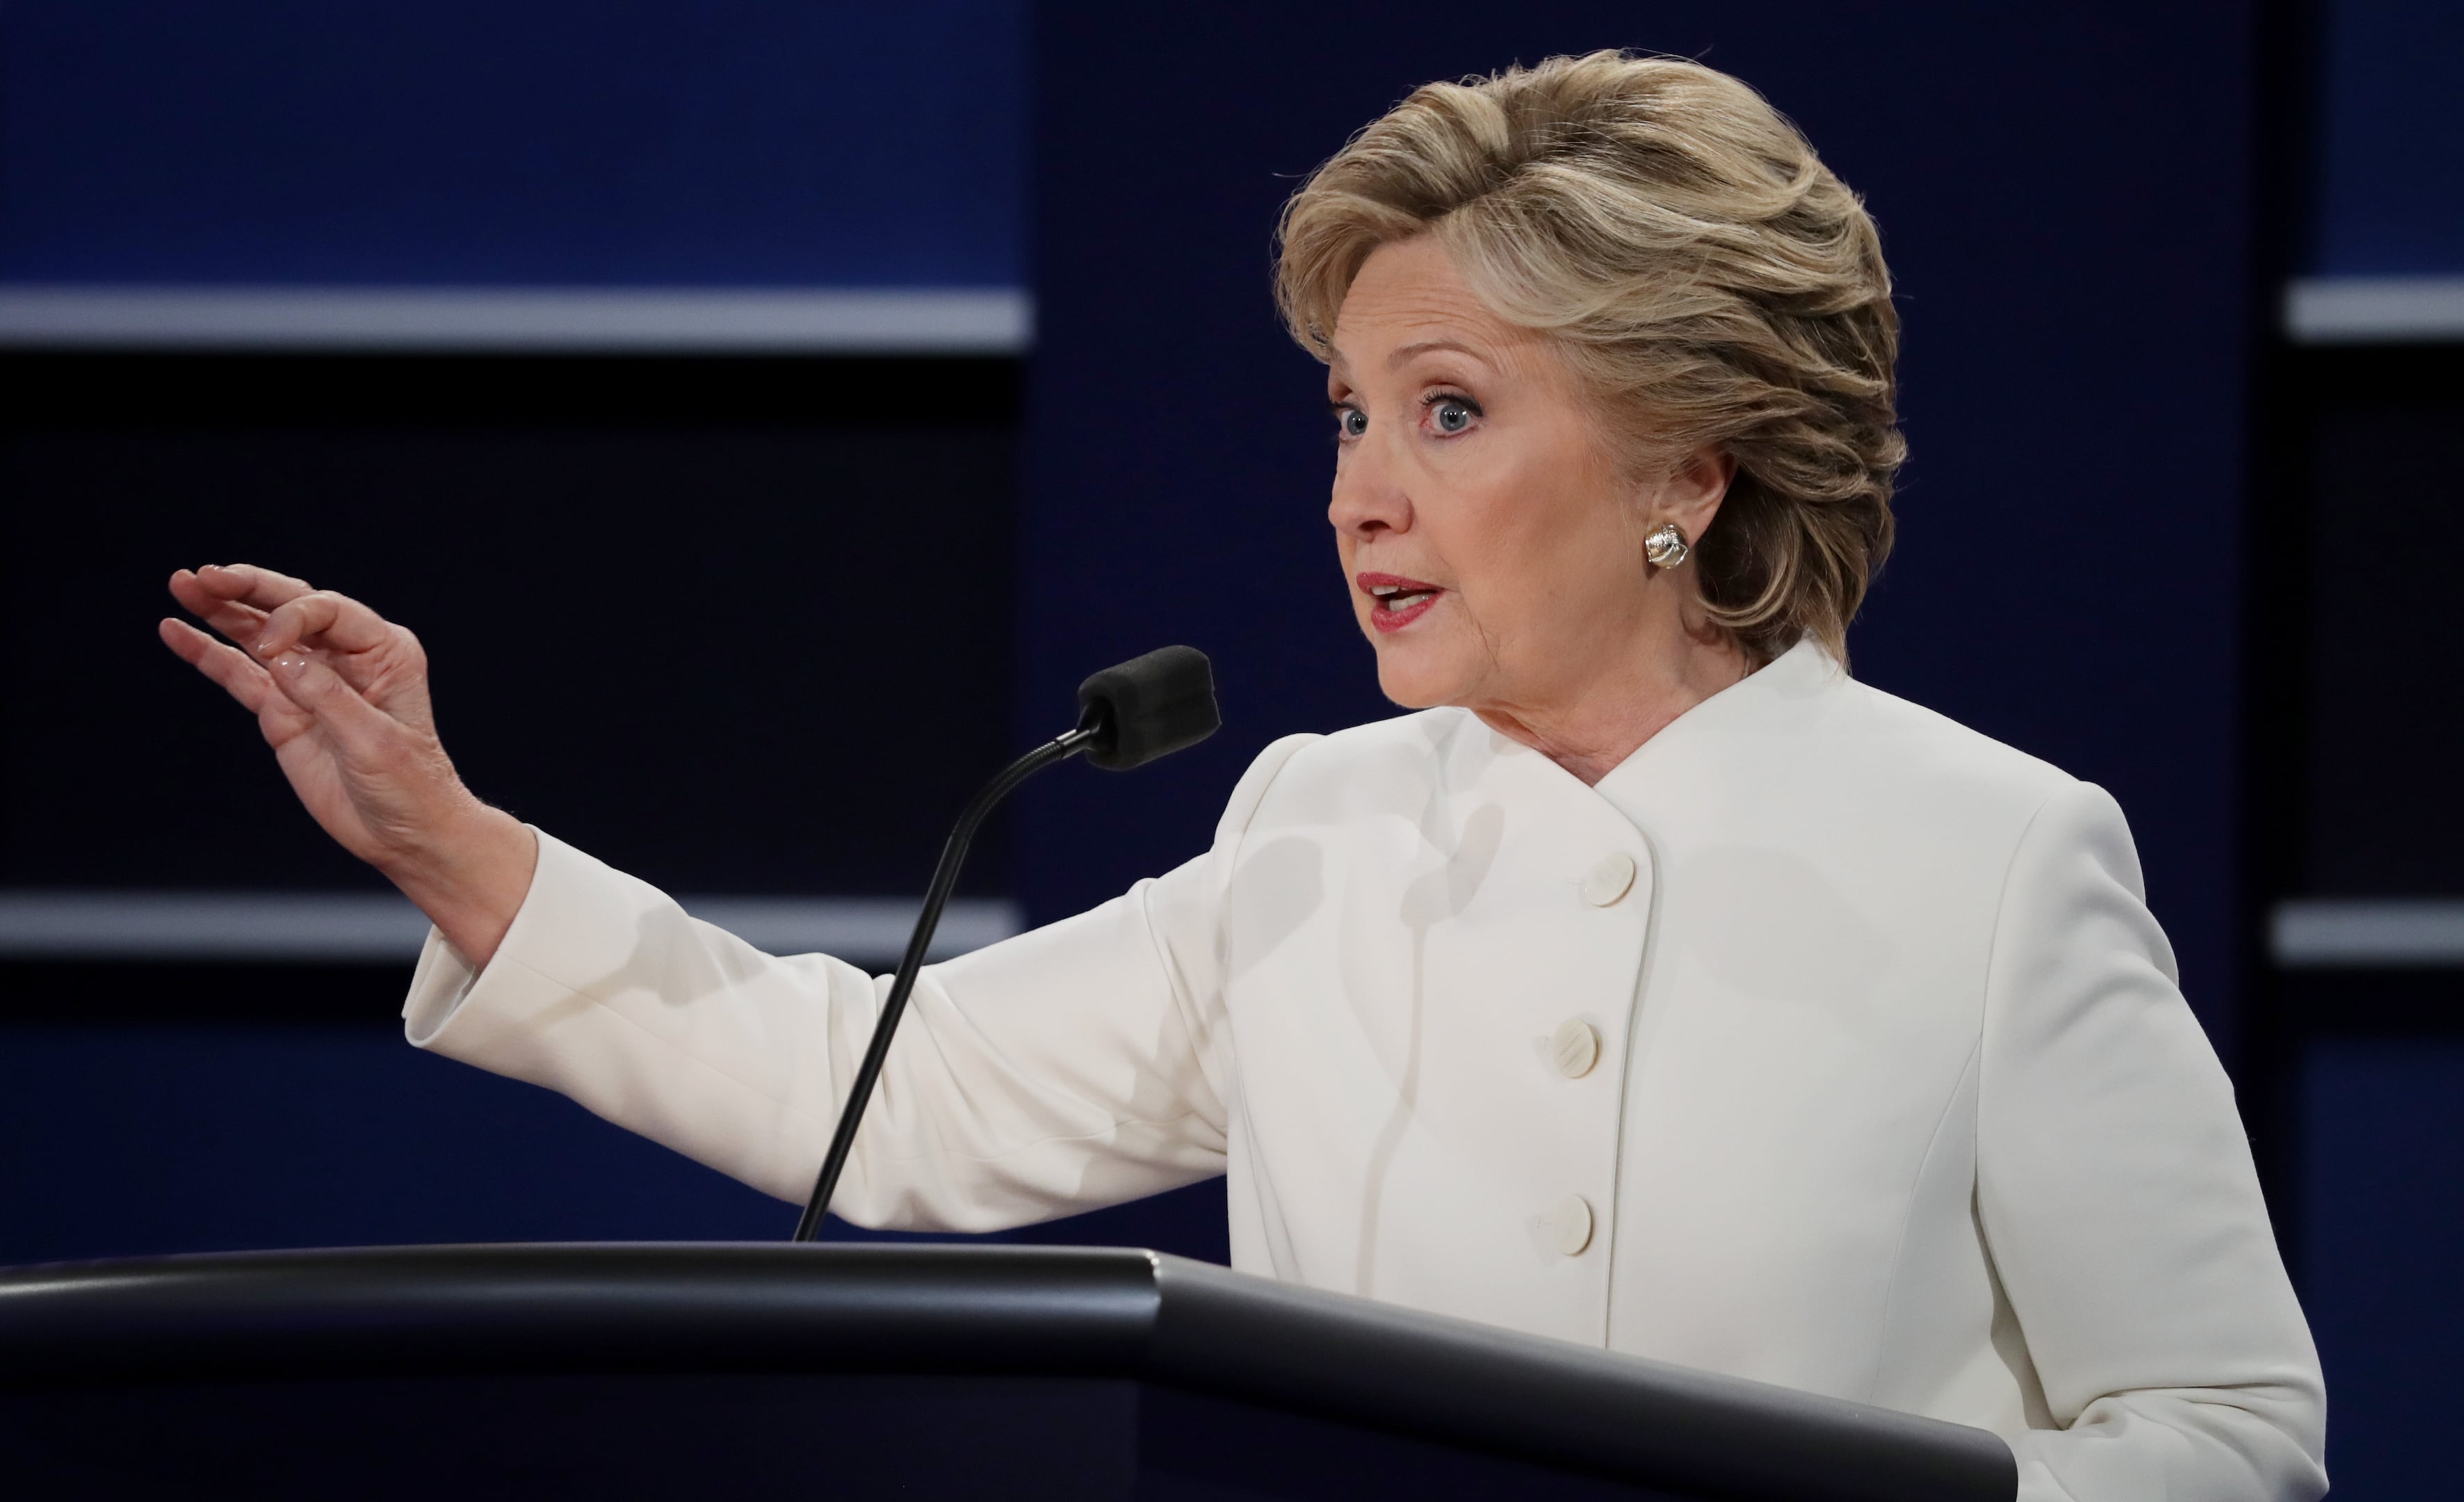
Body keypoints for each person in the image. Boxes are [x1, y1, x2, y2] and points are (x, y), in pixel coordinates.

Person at [159, 51, 2323, 1501]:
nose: (1362, 497)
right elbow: (889, 1099)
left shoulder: (1989, 854)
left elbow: (2230, 1432)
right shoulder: (1314, 832)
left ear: (1689, 460)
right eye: (1347, 418)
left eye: (1447, 412)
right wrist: (449, 842)